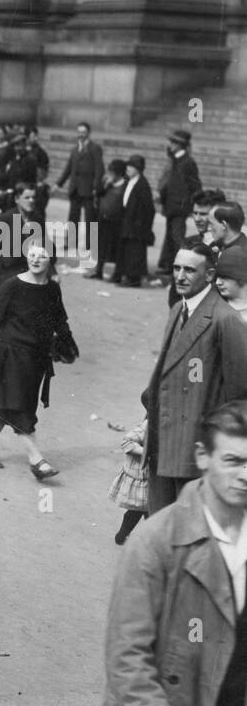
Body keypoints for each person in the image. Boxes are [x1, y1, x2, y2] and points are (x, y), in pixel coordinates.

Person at [89, 400, 247, 706]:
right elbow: (127, 658)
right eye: (233, 460)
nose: (245, 475)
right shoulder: (156, 542)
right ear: (202, 457)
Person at [143, 243, 247, 514]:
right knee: (162, 523)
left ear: (210, 275)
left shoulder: (225, 319)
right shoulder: (178, 309)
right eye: (177, 268)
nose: (179, 276)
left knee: (191, 527)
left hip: (192, 448)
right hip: (161, 439)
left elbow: (238, 393)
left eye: (190, 270)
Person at [0, 244, 75, 480]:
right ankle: (37, 460)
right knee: (20, 407)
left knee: (10, 403)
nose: (35, 259)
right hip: (9, 354)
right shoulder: (11, 286)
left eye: (42, 255)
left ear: (50, 260)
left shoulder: (52, 289)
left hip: (36, 358)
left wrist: (69, 345)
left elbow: (60, 320)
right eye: (32, 254)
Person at [156, 129, 201, 280]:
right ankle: (168, 266)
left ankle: (178, 268)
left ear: (180, 145)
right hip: (170, 205)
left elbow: (195, 185)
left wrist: (193, 205)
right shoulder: (174, 159)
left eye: (173, 142)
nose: (170, 145)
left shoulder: (188, 162)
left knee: (176, 238)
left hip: (180, 207)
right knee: (170, 237)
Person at [56, 121, 104, 253]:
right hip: (75, 188)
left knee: (90, 219)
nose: (81, 135)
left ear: (88, 133)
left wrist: (96, 187)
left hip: (88, 189)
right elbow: (68, 169)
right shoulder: (75, 149)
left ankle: (91, 244)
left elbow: (99, 169)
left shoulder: (95, 148)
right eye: (79, 132)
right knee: (73, 218)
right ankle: (70, 242)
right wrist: (58, 184)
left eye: (83, 132)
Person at [115, 154, 156, 287]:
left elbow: (149, 208)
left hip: (137, 225)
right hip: (126, 221)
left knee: (135, 253)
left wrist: (143, 225)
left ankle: (134, 279)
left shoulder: (142, 185)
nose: (128, 168)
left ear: (138, 169)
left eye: (131, 167)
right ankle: (123, 275)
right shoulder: (129, 180)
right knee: (126, 251)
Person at [108, 417, 148, 545]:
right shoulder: (149, 424)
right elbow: (127, 442)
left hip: (154, 479)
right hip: (144, 477)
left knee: (145, 510)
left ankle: (122, 535)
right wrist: (147, 452)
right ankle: (122, 535)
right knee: (143, 511)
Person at [87, 159, 127, 281]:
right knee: (100, 246)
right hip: (103, 218)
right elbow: (97, 193)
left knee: (116, 248)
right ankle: (98, 270)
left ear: (119, 174)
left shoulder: (125, 186)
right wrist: (105, 185)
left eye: (112, 173)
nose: (109, 175)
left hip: (116, 220)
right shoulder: (107, 183)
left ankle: (117, 274)